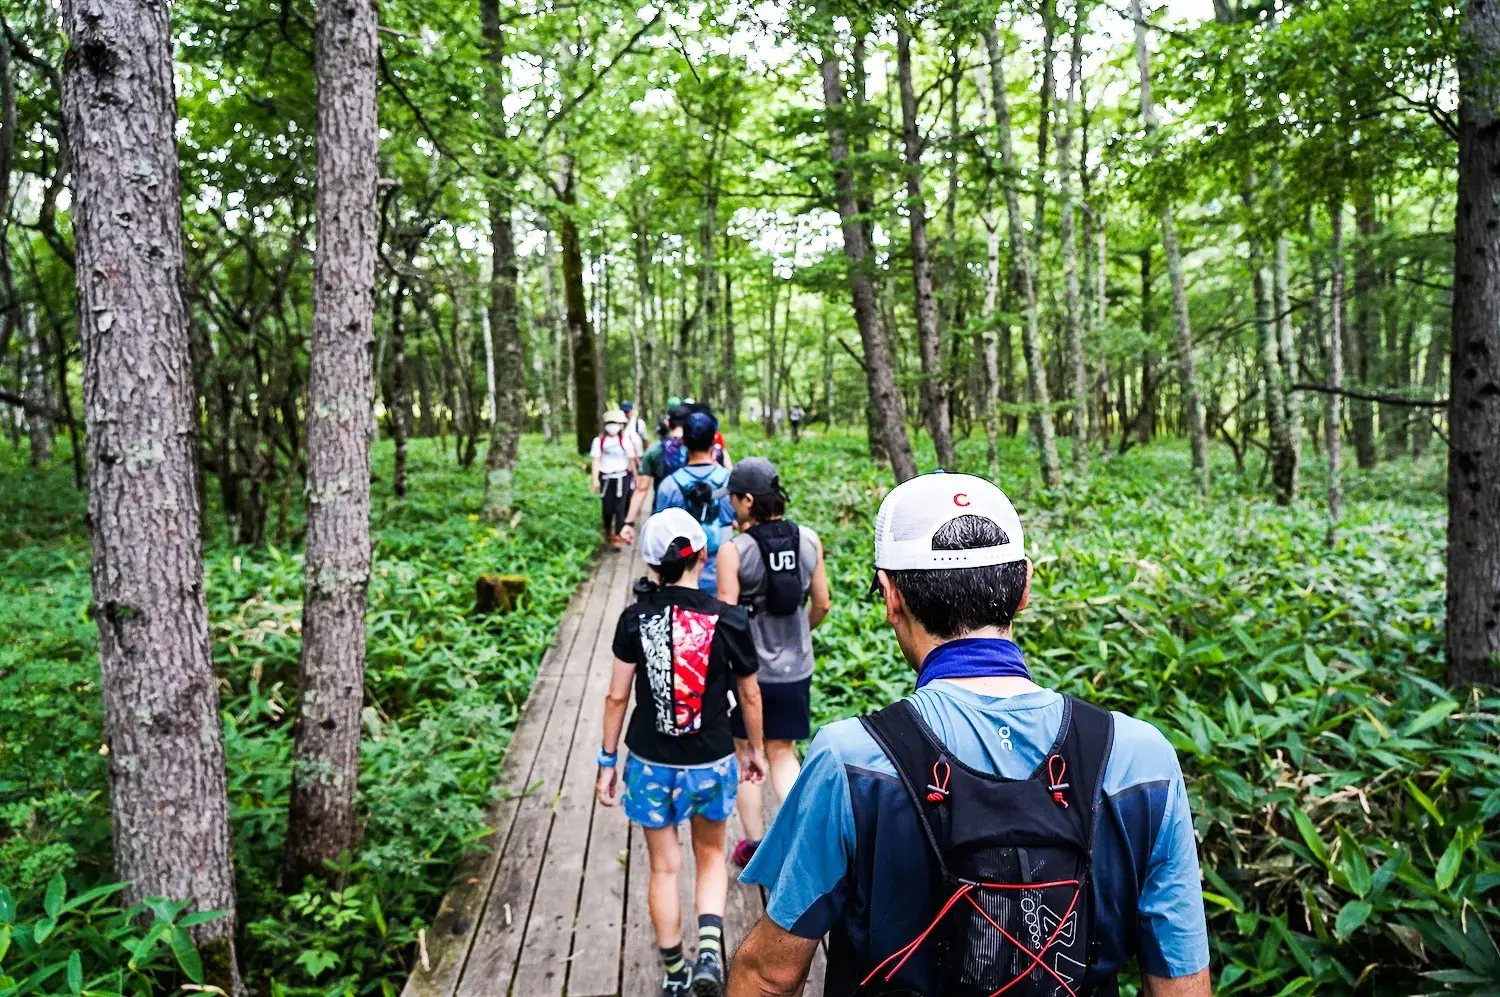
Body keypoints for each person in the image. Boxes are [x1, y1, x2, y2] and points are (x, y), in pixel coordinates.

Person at [729, 473, 1211, 997]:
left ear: (891, 596)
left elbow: (770, 975)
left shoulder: (851, 760)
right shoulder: (1142, 758)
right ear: (1024, 587)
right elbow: (1181, 980)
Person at [596, 508, 769, 997]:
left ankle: (675, 973)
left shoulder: (635, 618)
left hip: (650, 762)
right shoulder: (729, 619)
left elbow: (615, 696)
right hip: (712, 758)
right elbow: (751, 695)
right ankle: (711, 951)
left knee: (664, 867)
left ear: (652, 564)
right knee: (711, 853)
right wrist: (753, 750)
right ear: (704, 555)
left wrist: (608, 762)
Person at [714, 458, 831, 868]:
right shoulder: (809, 540)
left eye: (732, 499)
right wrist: (801, 633)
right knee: (783, 753)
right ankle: (804, 842)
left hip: (749, 674)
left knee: (747, 751)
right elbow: (822, 603)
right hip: (796, 668)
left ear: (748, 500)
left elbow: (726, 617)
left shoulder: (734, 550)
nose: (730, 506)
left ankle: (754, 845)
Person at [646, 411, 734, 594]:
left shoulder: (669, 486)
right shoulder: (730, 483)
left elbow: (659, 537)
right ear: (714, 441)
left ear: (684, 441)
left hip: (680, 578)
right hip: (724, 577)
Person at [590, 409, 640, 550]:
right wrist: (595, 480)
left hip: (622, 478)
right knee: (607, 508)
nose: (613, 426)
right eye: (611, 423)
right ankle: (607, 530)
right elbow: (596, 460)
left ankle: (618, 536)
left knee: (620, 508)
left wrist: (636, 478)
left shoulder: (625, 441)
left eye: (616, 423)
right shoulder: (599, 441)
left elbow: (631, 461)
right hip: (606, 478)